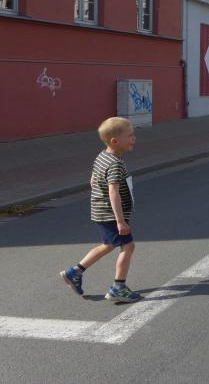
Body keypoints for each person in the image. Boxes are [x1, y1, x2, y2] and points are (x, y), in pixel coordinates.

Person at [60, 117, 142, 303]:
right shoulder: (115, 163)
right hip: (111, 214)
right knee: (128, 246)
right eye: (130, 136)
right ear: (115, 141)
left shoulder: (103, 155)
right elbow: (113, 192)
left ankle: (74, 272)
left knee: (108, 244)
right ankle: (118, 288)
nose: (134, 138)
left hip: (100, 211)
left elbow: (92, 180)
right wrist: (120, 221)